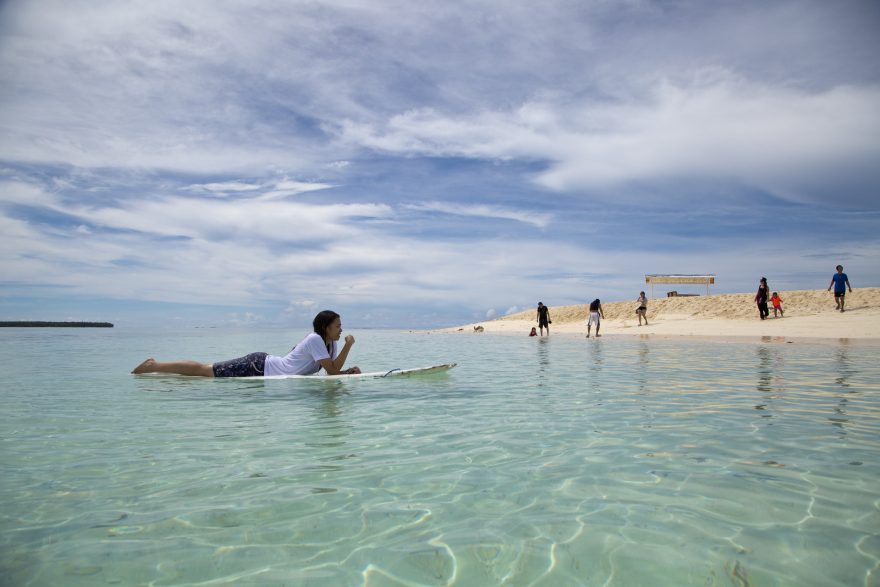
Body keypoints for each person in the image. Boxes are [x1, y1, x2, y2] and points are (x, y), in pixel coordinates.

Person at [131, 310, 361, 377]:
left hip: (264, 370)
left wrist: (347, 372)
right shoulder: (314, 339)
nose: (342, 329)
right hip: (258, 366)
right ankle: (154, 366)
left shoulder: (330, 345)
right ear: (325, 327)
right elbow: (330, 372)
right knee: (204, 372)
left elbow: (331, 372)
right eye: (338, 325)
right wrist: (349, 347)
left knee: (204, 373)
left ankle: (157, 366)